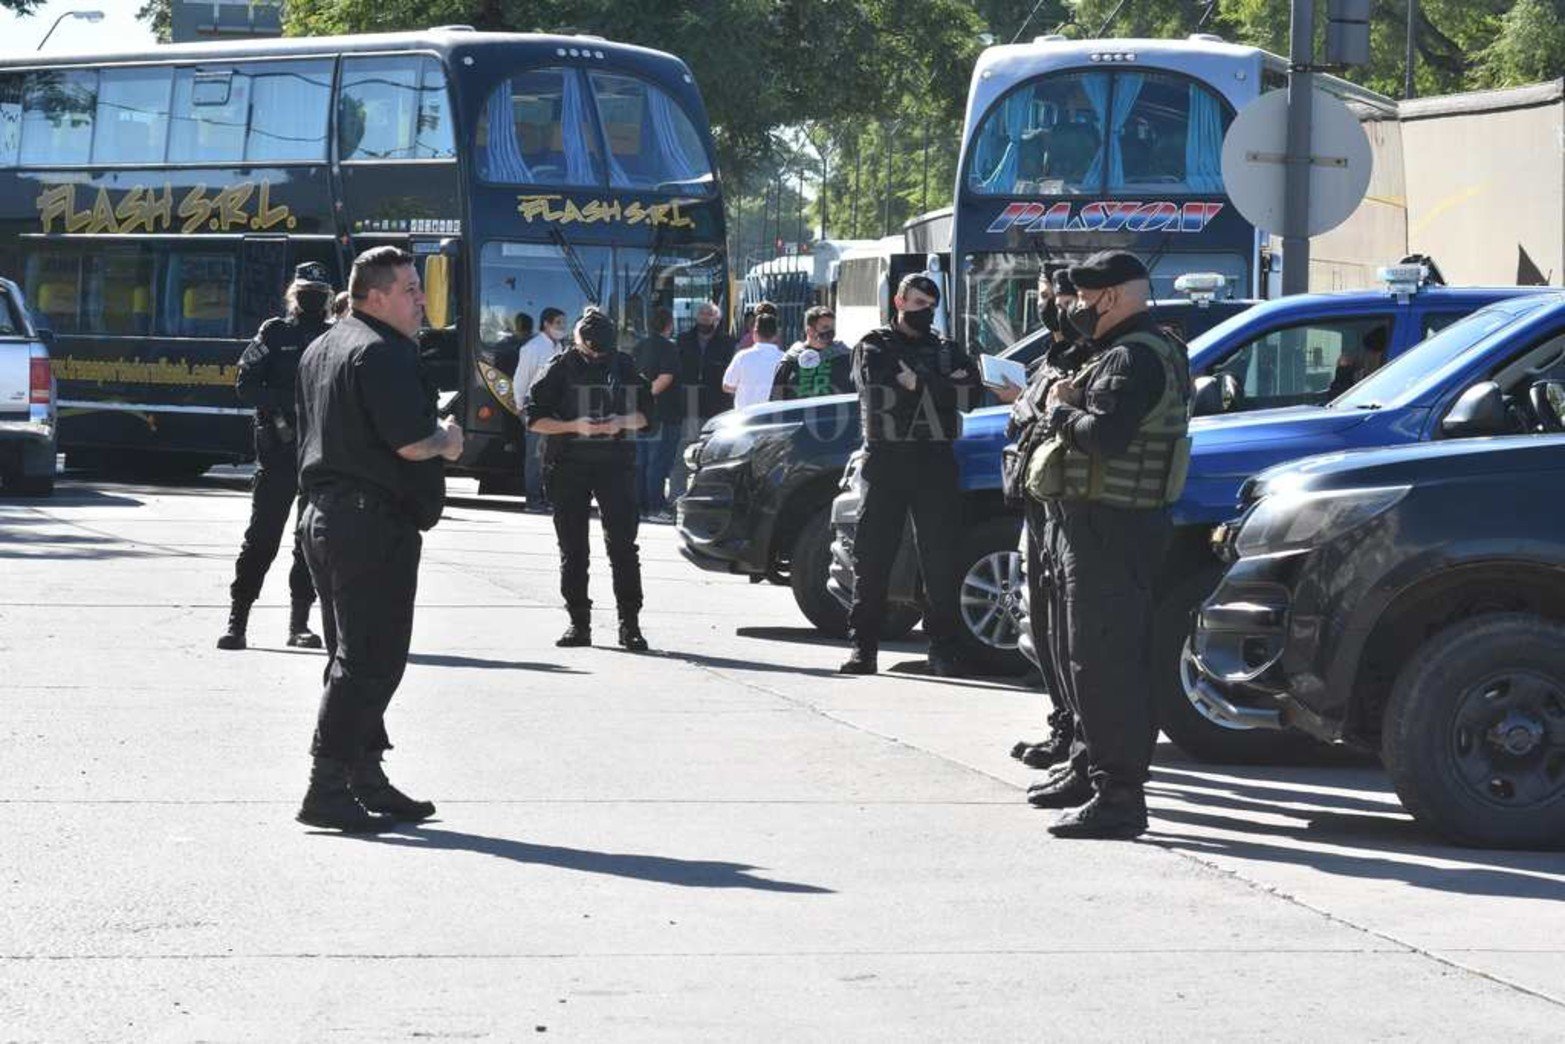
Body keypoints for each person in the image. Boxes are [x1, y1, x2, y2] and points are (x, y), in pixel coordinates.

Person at [1023, 250, 1193, 840]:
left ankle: (1119, 795)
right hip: (1099, 523)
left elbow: (1105, 437)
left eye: (1081, 299)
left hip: (1112, 526)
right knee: (1083, 656)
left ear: (1112, 298)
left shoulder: (1131, 358)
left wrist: (1060, 408)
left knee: (1107, 663)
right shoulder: (1138, 349)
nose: (1073, 309)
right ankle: (1086, 767)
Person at [293, 246, 463, 833]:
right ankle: (327, 785)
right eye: (411, 289)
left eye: (420, 288)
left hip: (324, 517)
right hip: (367, 523)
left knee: (352, 655)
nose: (421, 300)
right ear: (375, 295)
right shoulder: (381, 351)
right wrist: (447, 438)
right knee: (370, 659)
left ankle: (364, 774)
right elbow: (411, 443)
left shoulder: (325, 345)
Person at [841, 273, 981, 678]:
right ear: (899, 302)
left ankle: (943, 649)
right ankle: (863, 648)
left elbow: (971, 395)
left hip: (935, 459)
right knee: (872, 557)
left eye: (931, 307)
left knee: (940, 559)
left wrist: (917, 382)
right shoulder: (875, 344)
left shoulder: (946, 348)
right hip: (887, 459)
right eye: (918, 304)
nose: (925, 313)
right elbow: (880, 391)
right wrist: (940, 388)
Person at [216, 262, 333, 652]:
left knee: (309, 543)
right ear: (293, 295)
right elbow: (245, 385)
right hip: (278, 452)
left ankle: (299, 624)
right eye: (305, 292)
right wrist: (290, 403)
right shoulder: (274, 332)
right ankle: (238, 620)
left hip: (319, 455)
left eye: (318, 293)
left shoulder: (337, 337)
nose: (311, 299)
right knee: (261, 539)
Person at [524, 307, 653, 652]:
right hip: (568, 466)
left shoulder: (623, 365)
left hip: (615, 465)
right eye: (591, 349)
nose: (597, 356)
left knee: (623, 548)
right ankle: (578, 623)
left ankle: (630, 625)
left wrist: (619, 423)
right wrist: (573, 426)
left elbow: (646, 416)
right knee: (573, 550)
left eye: (603, 351)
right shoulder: (558, 369)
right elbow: (533, 420)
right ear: (578, 340)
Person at [1007, 265, 1088, 772]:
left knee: (1066, 629)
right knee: (1045, 623)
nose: (1046, 307)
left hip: (1067, 506)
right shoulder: (1052, 356)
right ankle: (1063, 724)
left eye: (1049, 297)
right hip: (1037, 502)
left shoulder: (1086, 357)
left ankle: (1078, 735)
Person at [668, 300, 736, 499]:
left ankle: (709, 496)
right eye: (702, 314)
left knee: (714, 456)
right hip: (690, 406)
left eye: (709, 315)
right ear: (696, 317)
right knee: (683, 452)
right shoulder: (683, 340)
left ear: (717, 318)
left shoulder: (728, 342)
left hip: (717, 408)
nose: (705, 318)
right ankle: (676, 496)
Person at [513, 306, 566, 512]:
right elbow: (521, 379)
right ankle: (533, 500)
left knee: (548, 456)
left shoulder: (559, 348)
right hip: (534, 407)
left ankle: (545, 497)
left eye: (563, 323)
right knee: (535, 456)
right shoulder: (532, 348)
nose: (562, 327)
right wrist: (520, 407)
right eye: (558, 323)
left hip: (554, 409)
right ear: (546, 324)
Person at [633, 307, 682, 518]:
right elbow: (665, 378)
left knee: (641, 462)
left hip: (640, 414)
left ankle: (641, 507)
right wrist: (648, 397)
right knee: (658, 462)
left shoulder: (638, 346)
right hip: (662, 413)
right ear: (669, 325)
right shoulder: (669, 348)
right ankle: (655, 507)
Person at [771, 305, 852, 400]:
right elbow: (776, 398)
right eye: (825, 327)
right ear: (810, 331)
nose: (830, 332)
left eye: (832, 328)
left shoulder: (844, 356)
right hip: (800, 414)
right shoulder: (791, 361)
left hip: (836, 413)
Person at [722, 309, 785, 409]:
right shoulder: (784, 359)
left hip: (745, 416)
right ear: (776, 335)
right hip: (775, 416)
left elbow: (727, 386)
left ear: (754, 333)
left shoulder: (742, 357)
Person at [1327, 324, 1389, 398]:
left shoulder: (1384, 382)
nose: (1366, 357)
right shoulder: (1362, 375)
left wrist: (1343, 371)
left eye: (1369, 352)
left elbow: (1338, 401)